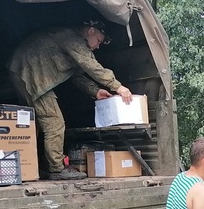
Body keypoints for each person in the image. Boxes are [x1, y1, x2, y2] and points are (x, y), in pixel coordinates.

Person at [8, 20, 134, 180]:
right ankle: (56, 169)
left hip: (22, 71)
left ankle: (36, 166)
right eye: (99, 40)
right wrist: (118, 87)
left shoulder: (75, 45)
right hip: (28, 73)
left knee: (39, 124)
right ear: (90, 30)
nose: (97, 46)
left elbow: (77, 76)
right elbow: (92, 66)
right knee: (54, 121)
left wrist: (95, 91)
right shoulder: (72, 38)